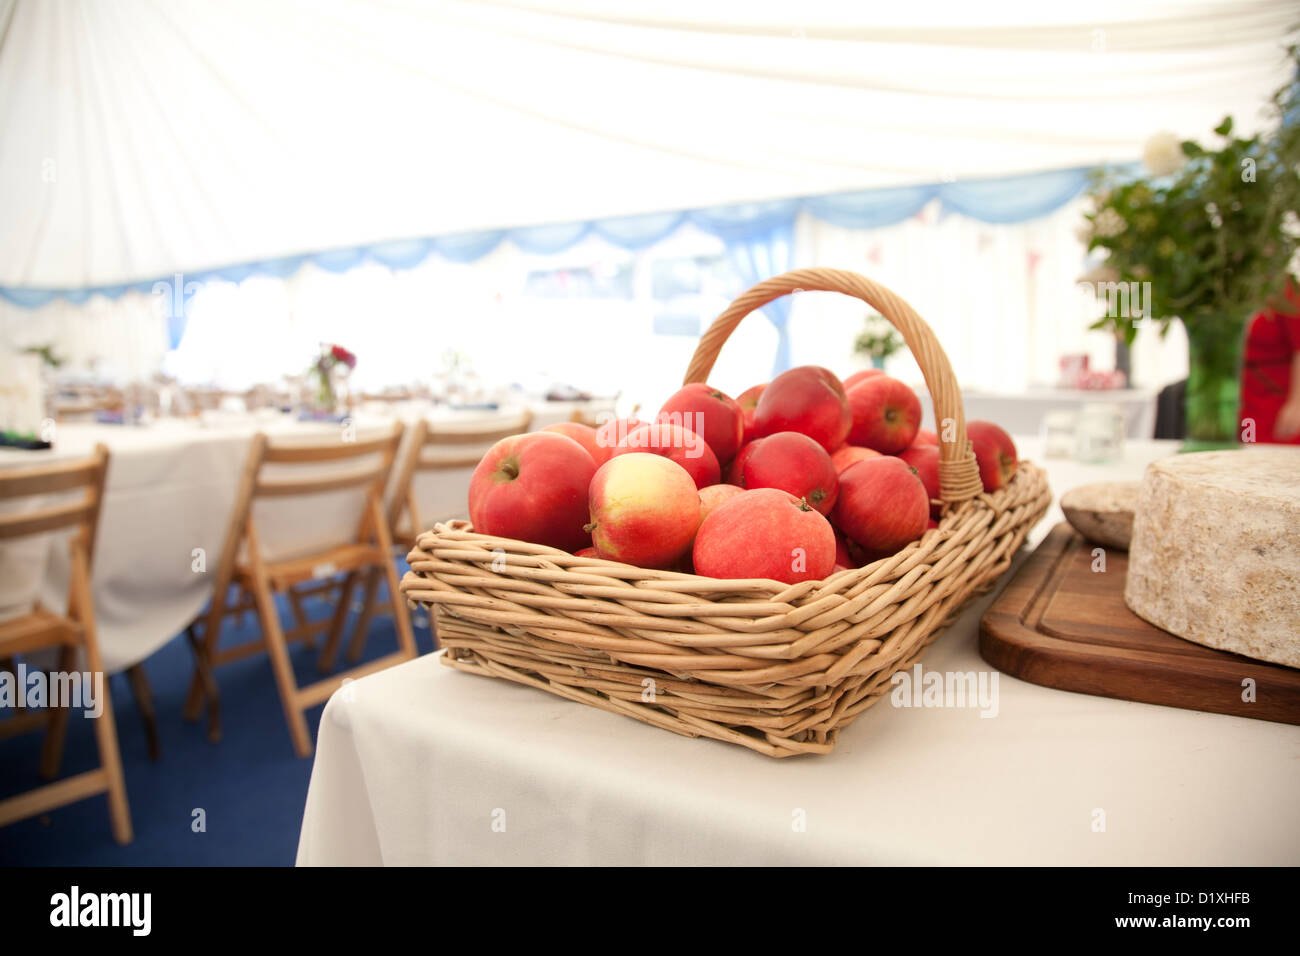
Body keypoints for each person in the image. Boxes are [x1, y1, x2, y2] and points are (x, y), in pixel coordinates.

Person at [1240, 280, 1300, 444]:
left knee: (1270, 457)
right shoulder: (1231, 286)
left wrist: (1297, 404)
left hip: (1275, 396)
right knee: (1242, 455)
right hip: (1244, 395)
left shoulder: (1287, 291)